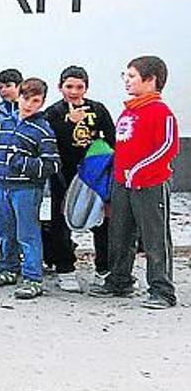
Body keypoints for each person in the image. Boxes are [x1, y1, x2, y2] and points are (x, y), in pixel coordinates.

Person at [90, 56, 179, 310]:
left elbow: (167, 147)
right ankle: (120, 280)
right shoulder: (129, 110)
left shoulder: (161, 113)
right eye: (125, 76)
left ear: (150, 80)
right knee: (120, 233)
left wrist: (138, 172)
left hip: (149, 185)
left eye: (132, 76)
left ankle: (162, 290)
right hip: (123, 184)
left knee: (154, 237)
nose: (126, 81)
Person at [0, 78, 60, 300]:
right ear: (18, 96)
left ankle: (33, 277)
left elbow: (52, 164)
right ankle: (9, 267)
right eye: (26, 99)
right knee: (6, 231)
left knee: (27, 233)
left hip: (26, 188)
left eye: (35, 101)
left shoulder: (43, 130)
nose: (29, 105)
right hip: (3, 184)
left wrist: (22, 163)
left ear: (42, 102)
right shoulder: (6, 123)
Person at [42, 66, 115, 293]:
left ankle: (103, 268)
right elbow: (47, 142)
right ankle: (65, 269)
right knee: (61, 222)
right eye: (69, 86)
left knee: (101, 221)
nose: (74, 91)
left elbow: (112, 139)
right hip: (64, 175)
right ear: (60, 87)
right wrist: (68, 122)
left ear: (86, 87)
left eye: (79, 87)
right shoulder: (53, 113)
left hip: (94, 176)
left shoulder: (98, 109)